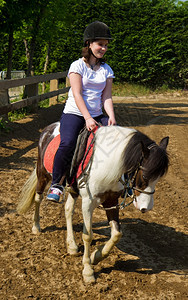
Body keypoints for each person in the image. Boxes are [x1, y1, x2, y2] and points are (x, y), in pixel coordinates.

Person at [47, 21, 117, 202]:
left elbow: (106, 97)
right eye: (100, 44)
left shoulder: (106, 70)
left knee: (116, 141)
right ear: (89, 44)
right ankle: (57, 184)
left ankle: (113, 182)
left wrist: (111, 117)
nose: (104, 48)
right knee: (68, 143)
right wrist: (87, 118)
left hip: (96, 113)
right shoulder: (77, 66)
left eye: (106, 45)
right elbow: (77, 95)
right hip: (75, 113)